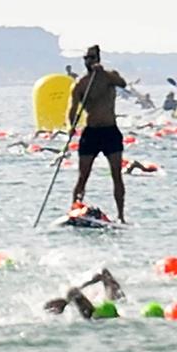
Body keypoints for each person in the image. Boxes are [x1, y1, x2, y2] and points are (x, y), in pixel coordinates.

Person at [70, 45, 130, 224]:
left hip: (110, 131)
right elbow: (73, 108)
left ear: (98, 59)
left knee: (116, 174)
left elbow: (122, 83)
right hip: (92, 133)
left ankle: (121, 215)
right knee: (83, 175)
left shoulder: (109, 77)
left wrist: (104, 72)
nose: (89, 61)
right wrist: (71, 126)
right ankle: (74, 208)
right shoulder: (81, 84)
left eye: (92, 58)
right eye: (86, 59)